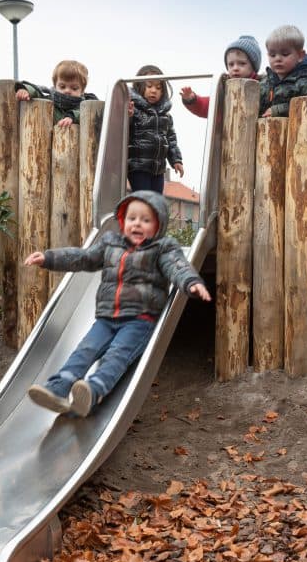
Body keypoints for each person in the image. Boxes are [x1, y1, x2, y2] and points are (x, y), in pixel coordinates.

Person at [24, 190, 210, 417]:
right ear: (123, 221)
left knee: (117, 355)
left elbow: (177, 266)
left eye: (146, 220)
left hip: (139, 320)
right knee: (85, 350)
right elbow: (83, 257)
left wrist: (191, 282)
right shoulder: (110, 243)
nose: (137, 224)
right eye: (132, 219)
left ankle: (93, 392)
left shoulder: (162, 248)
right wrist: (49, 258)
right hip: (106, 317)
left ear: (158, 224)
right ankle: (58, 389)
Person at [127, 65, 183, 193]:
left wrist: (176, 160)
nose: (154, 91)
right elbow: (124, 130)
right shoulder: (133, 110)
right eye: (149, 86)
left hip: (158, 168)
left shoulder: (165, 116)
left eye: (158, 88)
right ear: (140, 87)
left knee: (156, 201)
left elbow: (171, 139)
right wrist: (128, 116)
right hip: (138, 166)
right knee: (145, 199)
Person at [180, 35, 262, 119]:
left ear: (253, 66)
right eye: (231, 64)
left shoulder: (263, 88)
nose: (235, 68)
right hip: (229, 131)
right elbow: (206, 107)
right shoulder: (224, 90)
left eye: (242, 63)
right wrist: (192, 100)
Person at [258, 25, 307, 118]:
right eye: (272, 55)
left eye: (285, 54)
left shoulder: (305, 82)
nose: (278, 58)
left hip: (295, 131)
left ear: (300, 56)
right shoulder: (265, 82)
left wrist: (278, 110)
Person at [15, 60, 98, 127]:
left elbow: (84, 114)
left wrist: (71, 117)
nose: (67, 91)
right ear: (55, 86)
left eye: (74, 88)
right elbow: (37, 92)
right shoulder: (50, 100)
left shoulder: (84, 106)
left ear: (82, 90)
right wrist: (25, 90)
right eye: (62, 86)